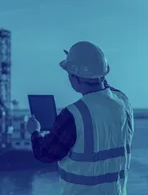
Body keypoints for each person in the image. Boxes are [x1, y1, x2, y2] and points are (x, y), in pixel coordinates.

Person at [26, 41, 134, 195]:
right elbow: (103, 83)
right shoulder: (123, 102)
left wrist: (35, 132)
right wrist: (85, 65)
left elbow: (45, 153)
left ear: (74, 77)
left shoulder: (73, 114)